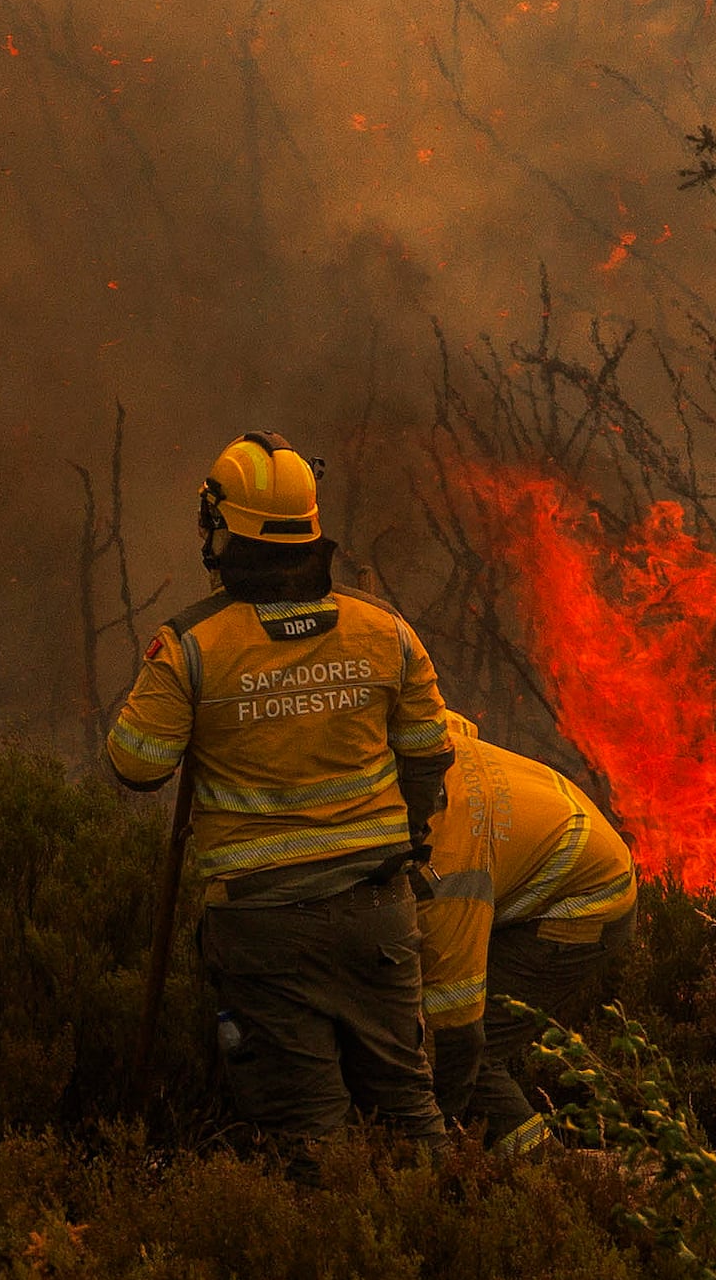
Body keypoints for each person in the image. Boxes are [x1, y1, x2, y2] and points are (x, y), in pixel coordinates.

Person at [107, 436, 455, 1145]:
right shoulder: (386, 630)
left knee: (306, 1138)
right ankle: (441, 1241)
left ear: (222, 530)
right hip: (378, 918)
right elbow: (429, 756)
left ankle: (317, 1247)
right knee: (411, 1117)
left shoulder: (191, 646)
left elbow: (136, 764)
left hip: (264, 928)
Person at [415, 708, 640, 1153]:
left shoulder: (448, 865)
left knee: (470, 1058)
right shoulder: (430, 744)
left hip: (581, 906)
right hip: (565, 850)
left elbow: (457, 1027)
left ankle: (544, 1175)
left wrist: (430, 1142)